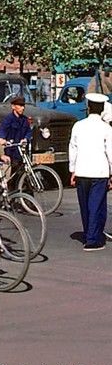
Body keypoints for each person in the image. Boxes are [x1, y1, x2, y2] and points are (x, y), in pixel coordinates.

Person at [68, 93, 112, 251]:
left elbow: (73, 148)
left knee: (85, 204)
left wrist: (72, 170)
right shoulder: (106, 128)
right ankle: (93, 239)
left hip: (82, 170)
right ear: (101, 110)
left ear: (88, 107)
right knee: (96, 205)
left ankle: (90, 232)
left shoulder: (78, 126)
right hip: (99, 172)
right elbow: (111, 153)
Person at [0, 96, 32, 163]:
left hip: (21, 151)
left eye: (23, 106)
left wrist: (25, 139)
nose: (23, 108)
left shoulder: (25, 120)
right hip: (10, 151)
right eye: (20, 105)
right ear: (13, 106)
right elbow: (2, 131)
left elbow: (28, 131)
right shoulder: (8, 119)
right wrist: (2, 139)